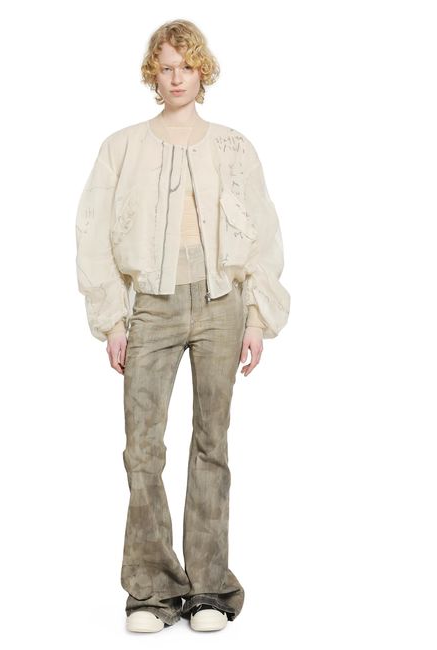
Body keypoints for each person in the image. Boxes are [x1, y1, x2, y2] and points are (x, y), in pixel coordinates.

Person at [75, 19, 290, 633]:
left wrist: (256, 317)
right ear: (154, 74)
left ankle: (209, 588)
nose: (176, 78)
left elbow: (263, 232)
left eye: (186, 67)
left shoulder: (234, 146)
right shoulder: (122, 146)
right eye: (166, 67)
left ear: (202, 72)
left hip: (223, 303)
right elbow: (92, 233)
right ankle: (151, 589)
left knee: (211, 443)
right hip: (151, 305)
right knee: (142, 449)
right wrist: (113, 319)